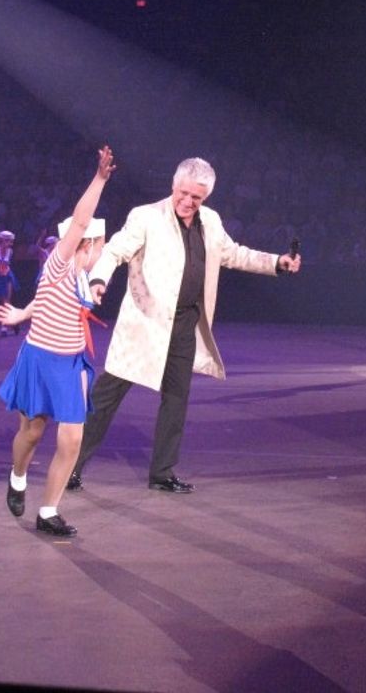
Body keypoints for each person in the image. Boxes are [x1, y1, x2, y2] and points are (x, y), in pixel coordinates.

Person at [67, 156, 301, 495]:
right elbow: (115, 251)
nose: (188, 202)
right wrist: (99, 279)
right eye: (184, 193)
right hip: (144, 326)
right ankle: (70, 466)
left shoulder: (211, 221)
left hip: (185, 324)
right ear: (173, 186)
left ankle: (162, 472)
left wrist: (276, 263)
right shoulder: (146, 216)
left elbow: (233, 254)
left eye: (197, 197)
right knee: (106, 398)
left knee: (176, 399)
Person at [0, 146, 115, 537]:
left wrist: (22, 313)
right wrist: (99, 179)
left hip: (70, 362)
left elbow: (46, 299)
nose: (103, 249)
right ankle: (17, 477)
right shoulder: (60, 261)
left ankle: (48, 511)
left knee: (73, 437)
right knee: (32, 432)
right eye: (101, 244)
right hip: (40, 359)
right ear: (87, 245)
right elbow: (80, 221)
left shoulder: (81, 278)